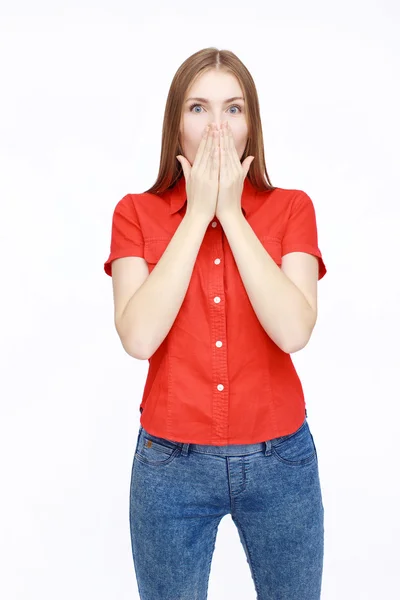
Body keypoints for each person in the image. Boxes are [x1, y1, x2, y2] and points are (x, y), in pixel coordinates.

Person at [104, 47, 327, 600]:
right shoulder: (134, 212)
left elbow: (294, 330)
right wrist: (199, 213)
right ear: (175, 124)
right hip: (169, 466)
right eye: (198, 108)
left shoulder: (293, 208)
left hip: (281, 459)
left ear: (251, 124)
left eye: (233, 108)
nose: (216, 126)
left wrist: (230, 212)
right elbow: (138, 336)